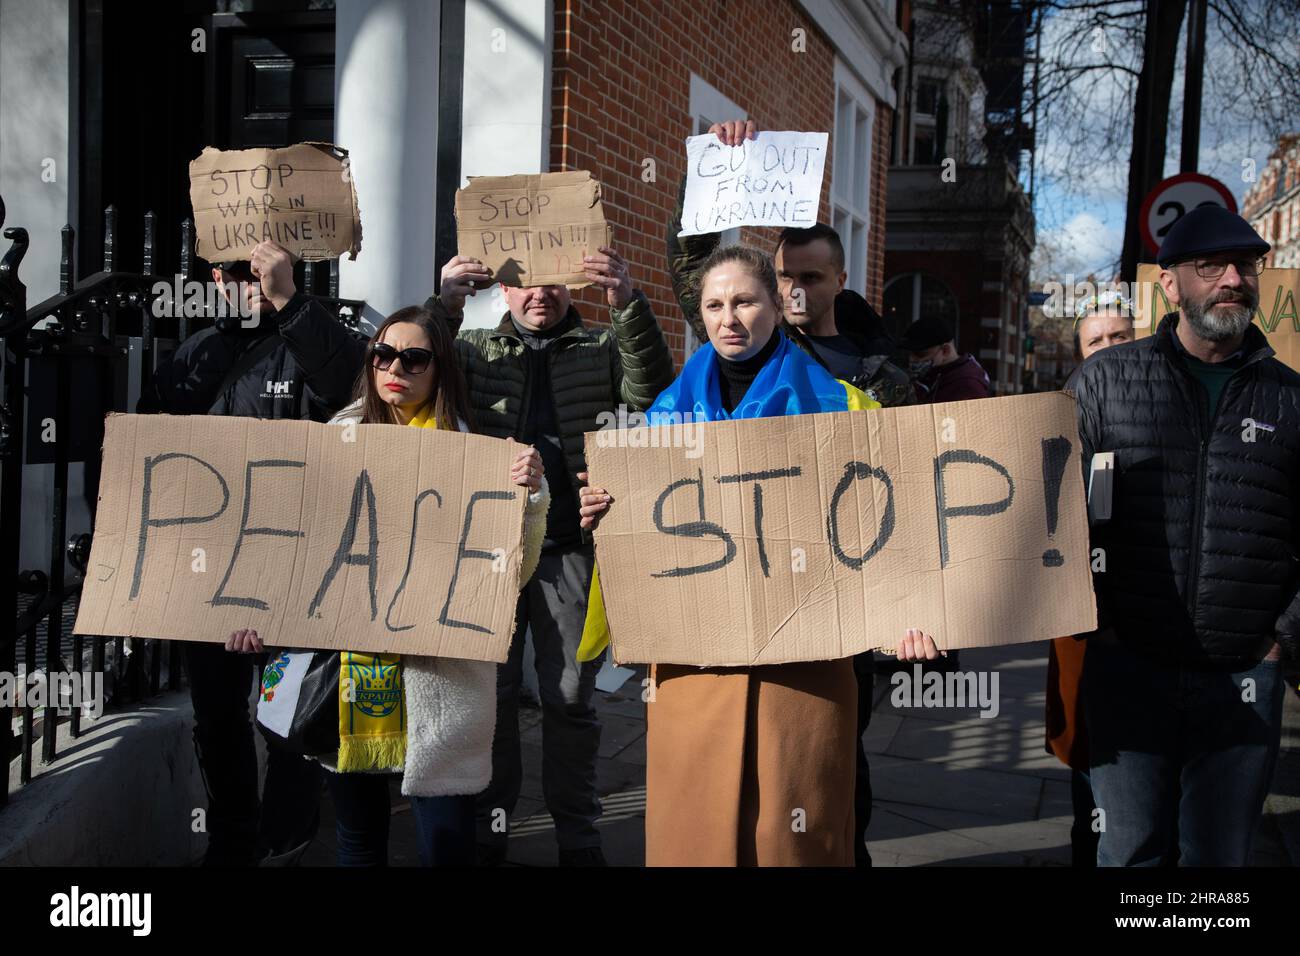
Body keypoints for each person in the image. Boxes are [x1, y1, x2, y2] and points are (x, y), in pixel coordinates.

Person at [581, 244, 942, 866]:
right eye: (714, 304)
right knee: (696, 835)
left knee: (793, 840)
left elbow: (894, 529)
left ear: (777, 305)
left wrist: (911, 613)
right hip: (695, 667)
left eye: (746, 300)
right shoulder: (659, 424)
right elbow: (640, 550)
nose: (730, 318)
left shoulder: (850, 409)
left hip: (804, 670)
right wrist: (603, 518)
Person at [666, 117, 913, 867]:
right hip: (721, 603)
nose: (794, 290)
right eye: (786, 277)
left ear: (839, 280)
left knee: (824, 772)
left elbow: (903, 501)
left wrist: (913, 608)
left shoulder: (877, 375)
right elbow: (696, 275)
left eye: (811, 277)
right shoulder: (723, 358)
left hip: (825, 610)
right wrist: (714, 168)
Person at [226, 305, 550, 866]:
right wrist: (260, 616)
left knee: (446, 843)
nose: (394, 366)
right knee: (357, 839)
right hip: (345, 677)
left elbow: (511, 576)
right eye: (383, 354)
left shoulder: (479, 456)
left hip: (439, 679)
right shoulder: (333, 445)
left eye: (414, 357)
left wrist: (531, 499)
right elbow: (294, 552)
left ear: (440, 369)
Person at [431, 245, 675, 866]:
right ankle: (492, 831)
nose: (539, 294)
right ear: (503, 292)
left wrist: (627, 301)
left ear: (573, 287)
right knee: (497, 696)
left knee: (569, 699)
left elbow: (650, 391)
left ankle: (579, 838)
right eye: (523, 284)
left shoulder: (600, 346)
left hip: (569, 548)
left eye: (553, 283)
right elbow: (417, 372)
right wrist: (447, 303)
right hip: (490, 554)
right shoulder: (474, 348)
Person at [1071, 205, 1298, 866]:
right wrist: (1097, 625)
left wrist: (1281, 640)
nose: (1234, 278)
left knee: (1219, 858)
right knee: (1130, 852)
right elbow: (1049, 512)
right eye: (1211, 266)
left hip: (1244, 680)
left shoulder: (1290, 401)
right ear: (1169, 284)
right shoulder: (1105, 383)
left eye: (1245, 266)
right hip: (1126, 670)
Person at [138, 240, 365, 866]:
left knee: (291, 709)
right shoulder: (194, 353)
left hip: (294, 565)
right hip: (207, 568)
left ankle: (286, 838)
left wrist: (288, 298)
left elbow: (351, 384)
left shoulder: (311, 336)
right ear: (215, 275)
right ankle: (234, 839)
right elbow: (148, 450)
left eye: (267, 266)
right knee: (216, 712)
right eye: (240, 269)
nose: (253, 278)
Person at [1045, 291, 1134, 867]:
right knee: (1091, 758)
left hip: (1153, 613)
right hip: (1084, 614)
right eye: (1094, 342)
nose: (1106, 350)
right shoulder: (1059, 416)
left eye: (1118, 337)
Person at [900, 314, 991, 403]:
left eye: (921, 354)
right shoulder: (933, 377)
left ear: (945, 351)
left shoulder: (968, 388)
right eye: (909, 354)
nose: (911, 359)